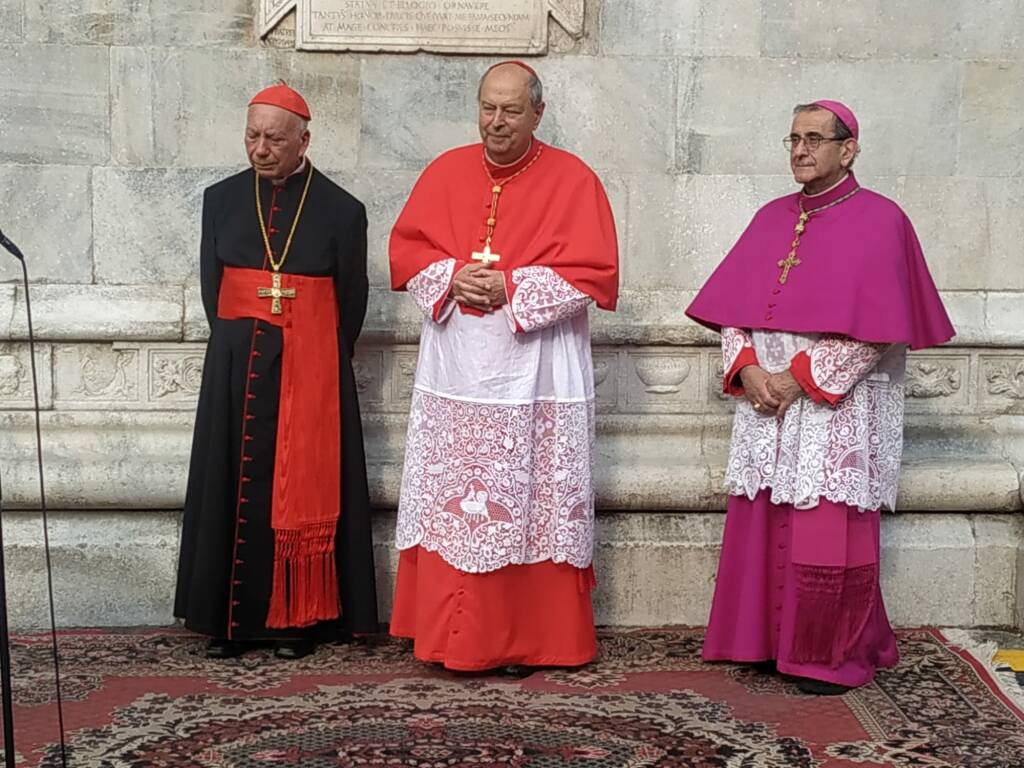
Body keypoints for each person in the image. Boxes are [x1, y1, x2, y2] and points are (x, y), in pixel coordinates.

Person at [687, 100, 954, 694]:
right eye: (793, 139)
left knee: (825, 522)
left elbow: (881, 327)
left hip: (836, 404)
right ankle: (757, 641)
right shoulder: (769, 216)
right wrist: (749, 368)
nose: (800, 150)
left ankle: (823, 655)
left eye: (814, 139)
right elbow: (734, 311)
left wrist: (797, 377)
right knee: (762, 513)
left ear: (848, 149)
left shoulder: (882, 220)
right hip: (767, 401)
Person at [387, 61, 619, 673]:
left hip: (537, 374)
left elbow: (592, 274)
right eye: (488, 107)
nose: (497, 121)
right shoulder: (444, 171)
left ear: (537, 114)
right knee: (457, 498)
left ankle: (527, 638)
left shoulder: (575, 180)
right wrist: (451, 277)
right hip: (457, 372)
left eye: (511, 110)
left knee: (530, 495)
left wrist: (511, 287)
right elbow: (409, 251)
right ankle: (448, 635)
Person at [174, 83, 378, 660]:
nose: (261, 149)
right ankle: (227, 623)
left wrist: (311, 355)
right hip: (235, 368)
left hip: (311, 369)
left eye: (274, 139)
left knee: (300, 484)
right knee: (227, 483)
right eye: (252, 136)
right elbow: (213, 287)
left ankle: (298, 624)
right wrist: (238, 347)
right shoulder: (220, 199)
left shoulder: (343, 210)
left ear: (303, 141)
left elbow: (351, 303)